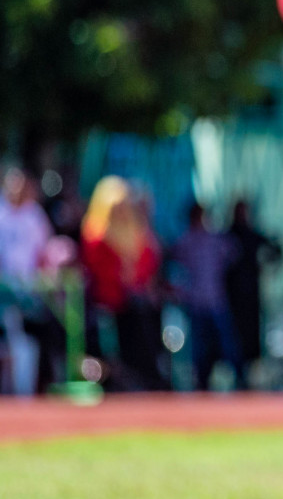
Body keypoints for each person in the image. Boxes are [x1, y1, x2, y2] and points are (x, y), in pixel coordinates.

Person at [80, 176, 166, 390]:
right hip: (105, 303)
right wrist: (122, 271)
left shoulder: (136, 230)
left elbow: (149, 260)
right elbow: (97, 265)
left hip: (130, 304)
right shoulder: (95, 233)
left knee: (142, 340)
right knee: (106, 349)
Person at [0, 168, 63, 394]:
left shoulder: (34, 215)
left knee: (29, 339)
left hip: (30, 289)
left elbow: (45, 251)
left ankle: (29, 390)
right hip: (4, 289)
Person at [171, 202, 243, 390]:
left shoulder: (214, 239)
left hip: (216, 299)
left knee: (228, 344)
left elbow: (234, 253)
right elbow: (175, 267)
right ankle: (201, 382)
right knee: (199, 347)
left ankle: (239, 378)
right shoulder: (186, 241)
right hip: (196, 301)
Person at [225, 199, 282, 374]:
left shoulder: (252, 235)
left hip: (252, 294)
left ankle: (250, 371)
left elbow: (276, 251)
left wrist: (269, 268)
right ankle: (236, 370)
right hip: (231, 296)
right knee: (233, 334)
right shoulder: (227, 236)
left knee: (252, 334)